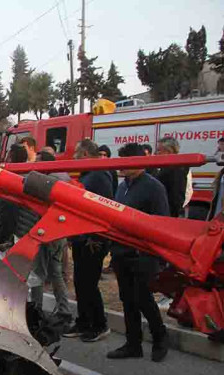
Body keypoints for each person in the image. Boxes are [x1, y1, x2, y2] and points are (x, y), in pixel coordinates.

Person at [107, 143, 169, 362]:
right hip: (122, 252)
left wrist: (153, 255)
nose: (121, 167)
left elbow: (162, 222)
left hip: (143, 254)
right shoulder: (122, 186)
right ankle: (133, 343)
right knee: (127, 300)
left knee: (143, 298)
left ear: (137, 162)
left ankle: (160, 337)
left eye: (125, 162)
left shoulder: (154, 187)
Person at [64, 139, 114, 342]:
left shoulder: (99, 176)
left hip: (93, 240)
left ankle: (99, 324)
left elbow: (103, 210)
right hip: (82, 238)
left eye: (76, 153)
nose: (73, 157)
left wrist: (94, 237)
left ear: (84, 154)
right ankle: (84, 321)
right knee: (80, 282)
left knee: (88, 283)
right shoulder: (90, 174)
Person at [32, 151, 71, 323]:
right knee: (56, 273)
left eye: (38, 162)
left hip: (47, 232)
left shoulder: (48, 183)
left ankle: (35, 310)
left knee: (38, 273)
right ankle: (64, 310)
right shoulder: (65, 180)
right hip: (60, 233)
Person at [154, 137, 190, 218]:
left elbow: (176, 197)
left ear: (169, 151)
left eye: (159, 150)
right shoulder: (168, 168)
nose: (155, 153)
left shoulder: (175, 169)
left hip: (167, 214)